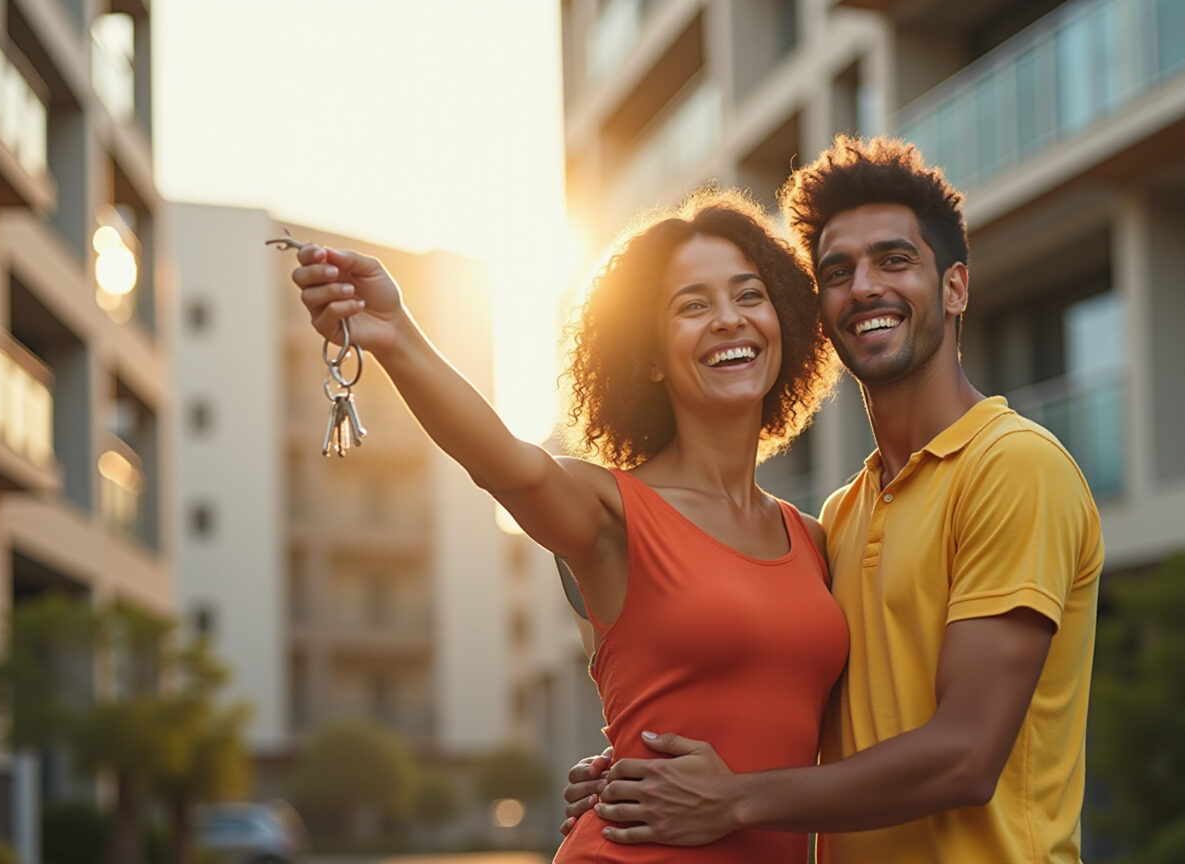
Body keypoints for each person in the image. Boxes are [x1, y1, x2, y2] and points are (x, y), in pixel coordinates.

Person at [560, 137, 1104, 863]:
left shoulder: (1014, 466)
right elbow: (767, 693)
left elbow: (965, 758)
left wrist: (731, 798)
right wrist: (636, 771)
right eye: (838, 272)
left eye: (895, 260)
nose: (865, 287)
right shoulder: (839, 519)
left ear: (955, 288)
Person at [288, 189, 845, 864]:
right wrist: (396, 334)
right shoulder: (609, 510)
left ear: (782, 318)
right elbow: (505, 465)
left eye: (748, 295)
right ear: (648, 353)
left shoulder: (813, 540)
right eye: (692, 305)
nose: (728, 319)